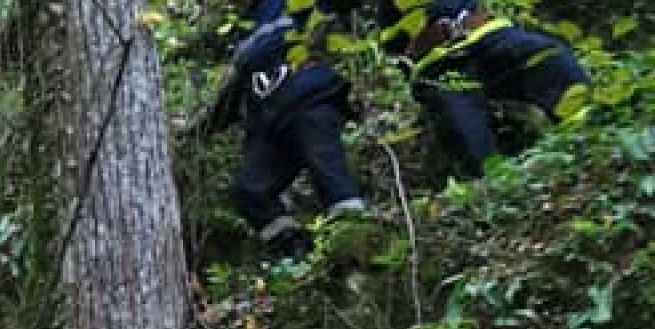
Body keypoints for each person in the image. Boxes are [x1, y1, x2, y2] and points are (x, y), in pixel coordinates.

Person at [203, 0, 366, 257]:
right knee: (249, 190)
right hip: (268, 127)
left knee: (326, 167)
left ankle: (354, 242)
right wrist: (193, 130)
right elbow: (228, 99)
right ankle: (293, 250)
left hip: (310, 100)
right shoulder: (242, 32)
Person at [379, 0, 589, 177]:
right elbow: (393, 43)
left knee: (553, 61)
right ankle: (495, 185)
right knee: (465, 129)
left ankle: (585, 136)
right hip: (439, 62)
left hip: (490, 35)